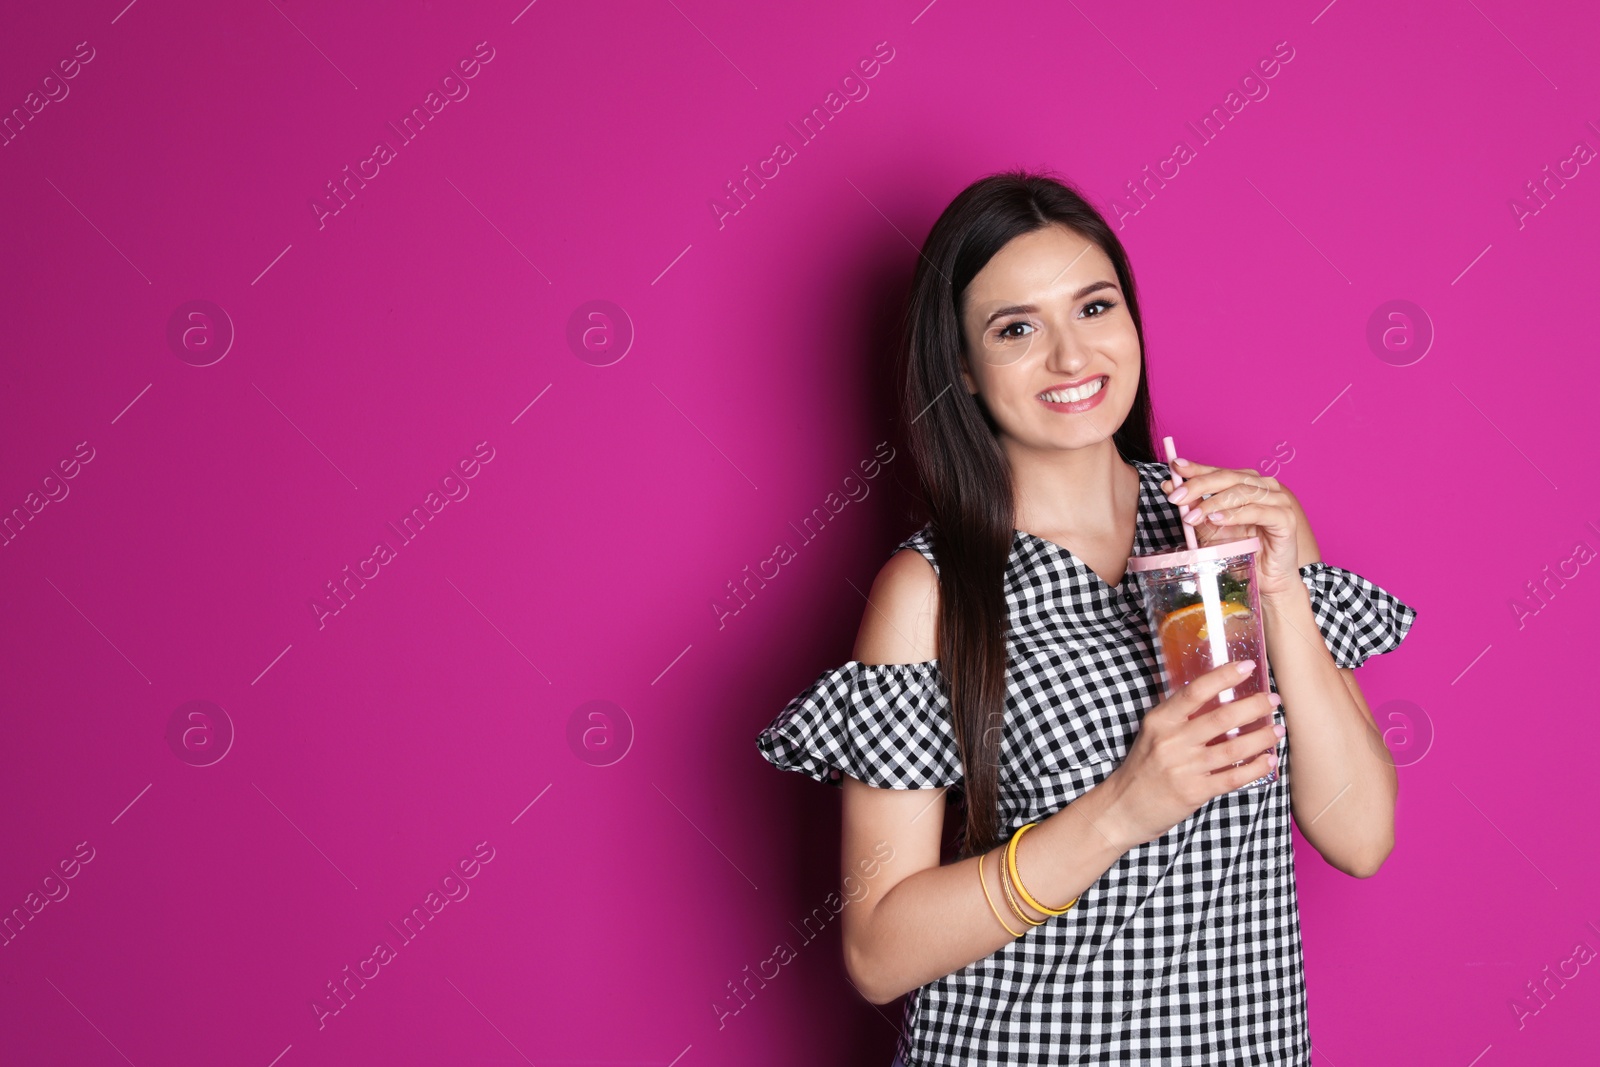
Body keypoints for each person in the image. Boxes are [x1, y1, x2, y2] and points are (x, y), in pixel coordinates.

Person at [754, 170, 1419, 1065]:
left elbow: (1361, 832)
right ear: (961, 364)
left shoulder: (1229, 527)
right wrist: (1121, 809)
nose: (1072, 358)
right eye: (1017, 328)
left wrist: (1285, 593)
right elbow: (878, 950)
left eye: (1095, 308)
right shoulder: (935, 593)